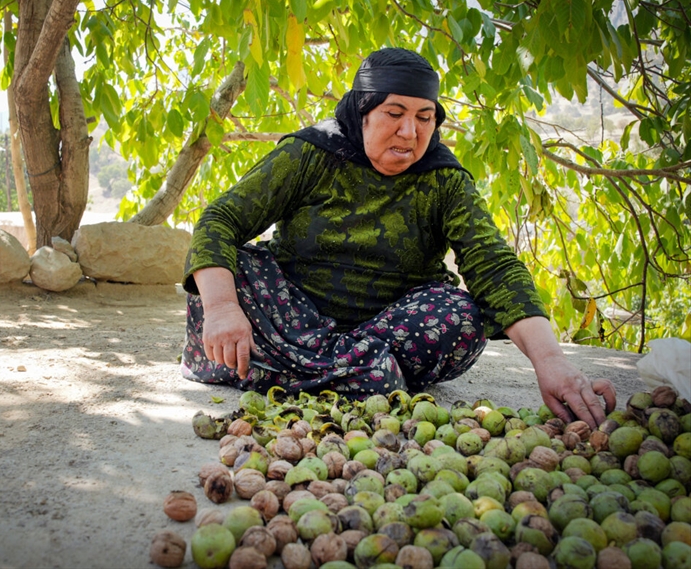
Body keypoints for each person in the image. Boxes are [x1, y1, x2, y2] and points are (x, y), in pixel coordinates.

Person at [180, 47, 616, 428]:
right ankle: (369, 379)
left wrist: (552, 363)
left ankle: (296, 372)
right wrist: (222, 308)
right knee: (231, 274)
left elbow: (494, 267)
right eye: (395, 115)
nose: (410, 133)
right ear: (361, 111)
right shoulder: (311, 153)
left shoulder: (445, 180)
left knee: (462, 316)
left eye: (424, 118)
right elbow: (220, 219)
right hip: (293, 317)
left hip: (387, 330)